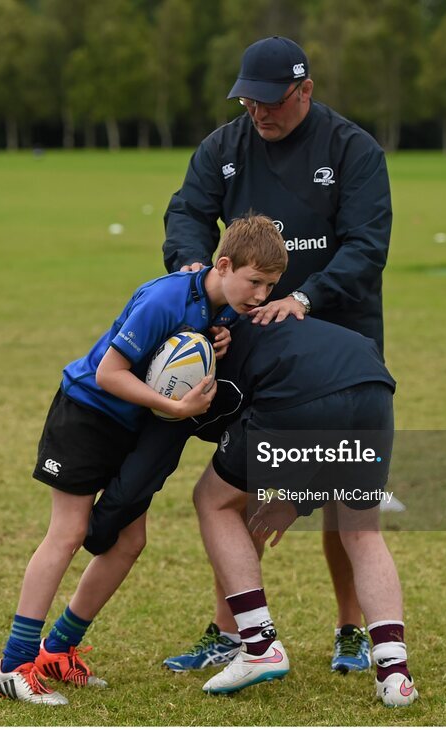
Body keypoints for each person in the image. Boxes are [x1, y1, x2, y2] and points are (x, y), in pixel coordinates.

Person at [162, 34, 393, 675]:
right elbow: (187, 213)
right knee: (236, 492)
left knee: (349, 499)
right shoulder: (224, 146)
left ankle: (352, 631)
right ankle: (232, 631)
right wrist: (190, 267)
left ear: (306, 91)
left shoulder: (353, 150)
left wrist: (307, 298)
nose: (260, 114)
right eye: (249, 102)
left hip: (337, 347)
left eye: (273, 103)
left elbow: (366, 245)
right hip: (251, 349)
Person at [0, 215, 287, 705]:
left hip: (131, 427)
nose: (259, 295)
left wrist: (218, 345)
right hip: (87, 414)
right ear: (224, 263)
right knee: (67, 534)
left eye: (270, 286)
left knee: (129, 542)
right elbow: (109, 372)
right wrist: (174, 407)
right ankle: (12, 664)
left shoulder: (225, 309)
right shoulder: (165, 298)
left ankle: (58, 650)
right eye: (254, 282)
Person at [85, 316, 419, 707]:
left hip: (300, 390)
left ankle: (259, 646)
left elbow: (147, 468)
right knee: (362, 531)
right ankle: (394, 673)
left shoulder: (190, 378)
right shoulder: (221, 323)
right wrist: (299, 501)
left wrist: (96, 529)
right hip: (372, 382)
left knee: (213, 499)